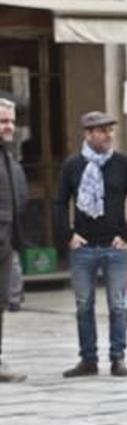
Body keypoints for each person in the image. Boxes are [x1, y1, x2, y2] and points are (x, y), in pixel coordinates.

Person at [55, 111, 127, 378]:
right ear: (88, 134)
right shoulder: (73, 165)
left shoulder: (123, 163)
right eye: (102, 130)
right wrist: (68, 235)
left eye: (110, 130)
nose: (108, 135)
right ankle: (88, 360)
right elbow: (59, 202)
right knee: (84, 305)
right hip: (83, 248)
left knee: (118, 306)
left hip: (114, 247)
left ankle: (118, 359)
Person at [0, 97, 27, 382]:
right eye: (3, 121)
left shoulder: (8, 156)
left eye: (11, 121)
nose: (9, 126)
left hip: (6, 245)